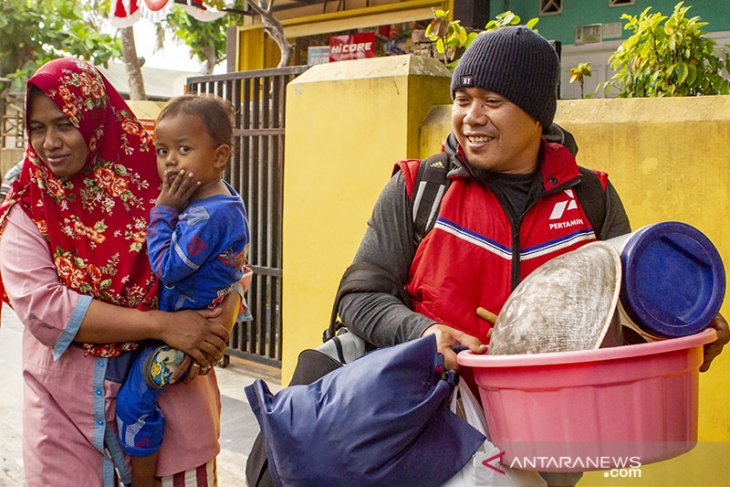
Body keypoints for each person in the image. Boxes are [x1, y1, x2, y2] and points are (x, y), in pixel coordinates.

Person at [337, 27, 729, 486]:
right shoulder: (419, 189)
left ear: (537, 114)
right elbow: (359, 297)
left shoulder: (591, 198)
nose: (470, 117)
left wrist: (683, 327)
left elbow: (627, 312)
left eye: (492, 101)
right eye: (462, 100)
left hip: (559, 439)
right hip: (429, 430)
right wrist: (424, 332)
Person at [0, 58, 242, 486]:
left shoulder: (164, 181)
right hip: (65, 419)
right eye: (37, 128)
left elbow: (230, 262)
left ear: (95, 117)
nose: (50, 142)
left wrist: (212, 330)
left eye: (64, 123)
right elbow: (43, 308)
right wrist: (164, 325)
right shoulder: (30, 203)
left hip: (175, 411)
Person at [116, 94, 251, 486]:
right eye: (162, 150)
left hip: (181, 341)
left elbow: (168, 268)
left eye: (184, 149)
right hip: (191, 323)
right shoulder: (222, 201)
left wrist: (162, 210)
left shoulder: (209, 214)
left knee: (133, 404)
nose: (170, 160)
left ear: (220, 155)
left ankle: (142, 479)